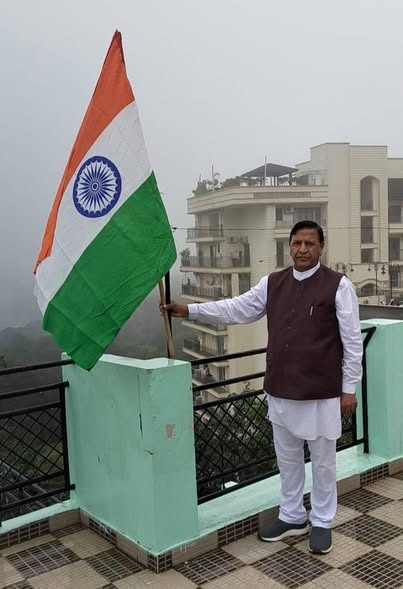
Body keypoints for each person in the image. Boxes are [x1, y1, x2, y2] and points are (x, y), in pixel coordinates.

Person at [161, 220, 363, 555]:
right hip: (280, 389)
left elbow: (352, 342)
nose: (302, 249)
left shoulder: (339, 286)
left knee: (323, 462)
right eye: (297, 243)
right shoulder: (272, 283)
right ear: (289, 246)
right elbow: (236, 308)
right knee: (288, 460)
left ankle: (322, 520)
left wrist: (349, 388)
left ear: (321, 247)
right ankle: (292, 516)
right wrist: (190, 310)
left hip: (321, 392)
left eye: (310, 244)